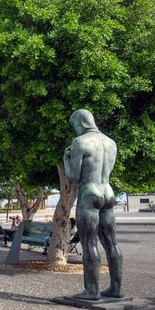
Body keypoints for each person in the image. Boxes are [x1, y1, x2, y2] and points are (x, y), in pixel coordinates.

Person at [64, 109, 124, 300]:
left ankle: (92, 291)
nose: (75, 130)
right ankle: (116, 289)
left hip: (90, 192)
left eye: (74, 125)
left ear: (80, 123)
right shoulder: (111, 142)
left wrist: (67, 159)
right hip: (108, 190)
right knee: (111, 243)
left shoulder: (79, 142)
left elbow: (73, 175)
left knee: (89, 243)